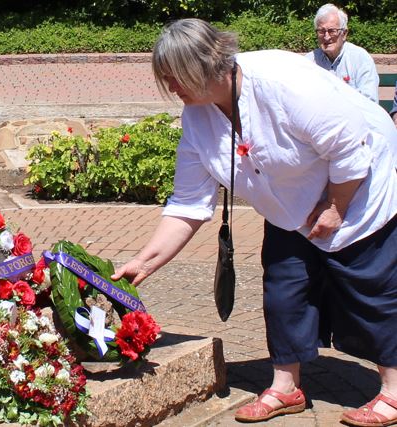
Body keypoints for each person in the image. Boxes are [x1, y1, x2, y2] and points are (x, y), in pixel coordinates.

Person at [111, 18, 397, 426]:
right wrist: (144, 262)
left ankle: (393, 392)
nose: (171, 88)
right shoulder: (198, 115)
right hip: (290, 202)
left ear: (203, 67)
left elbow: (352, 149)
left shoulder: (284, 82)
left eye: (174, 77)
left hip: (360, 183)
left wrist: (336, 209)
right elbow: (189, 203)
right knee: (284, 289)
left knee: (372, 288)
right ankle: (286, 388)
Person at [305, 3, 379, 103]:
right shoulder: (309, 62)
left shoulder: (360, 58)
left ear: (344, 34)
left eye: (332, 31)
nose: (327, 37)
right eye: (321, 31)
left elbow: (369, 100)